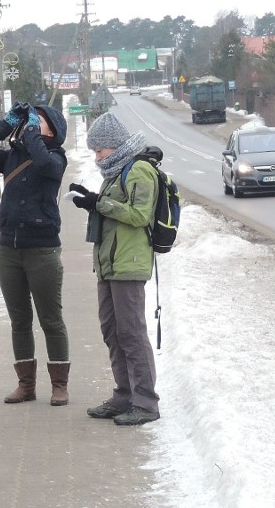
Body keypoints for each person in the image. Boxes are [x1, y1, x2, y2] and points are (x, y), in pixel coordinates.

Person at [0, 101, 71, 406]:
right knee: (19, 320)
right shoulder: (14, 156)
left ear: (52, 130)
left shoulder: (55, 157)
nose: (29, 124)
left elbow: (43, 165)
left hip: (42, 249)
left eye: (37, 121)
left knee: (51, 319)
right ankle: (26, 384)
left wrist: (32, 136)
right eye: (28, 120)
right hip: (8, 250)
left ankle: (59, 385)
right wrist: (6, 122)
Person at [69, 111, 161, 426]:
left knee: (131, 332)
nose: (97, 156)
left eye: (100, 149)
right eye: (94, 150)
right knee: (112, 331)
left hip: (129, 264)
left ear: (115, 144)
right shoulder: (115, 171)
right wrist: (92, 201)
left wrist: (99, 204)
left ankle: (146, 402)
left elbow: (139, 215)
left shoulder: (139, 171)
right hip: (109, 264)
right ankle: (124, 395)